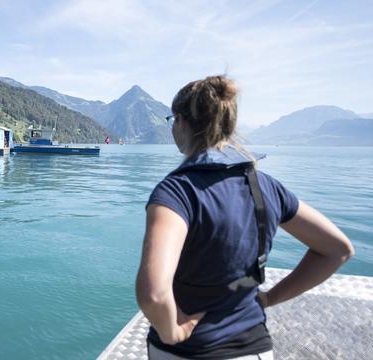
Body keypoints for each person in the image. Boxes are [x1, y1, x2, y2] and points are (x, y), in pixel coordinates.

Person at [135, 75, 354, 359]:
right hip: (254, 348)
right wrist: (271, 298)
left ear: (181, 122)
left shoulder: (177, 193)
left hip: (188, 351)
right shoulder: (266, 187)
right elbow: (338, 250)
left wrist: (171, 331)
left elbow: (153, 294)